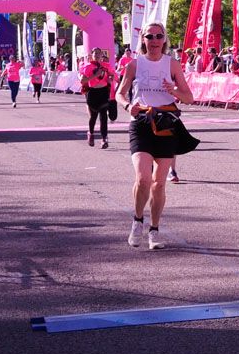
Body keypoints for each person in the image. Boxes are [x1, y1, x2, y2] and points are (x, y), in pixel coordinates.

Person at [116, 23, 198, 251]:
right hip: (141, 123)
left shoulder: (172, 64)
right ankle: (137, 220)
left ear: (164, 40)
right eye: (149, 36)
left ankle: (154, 230)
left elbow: (189, 97)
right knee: (143, 178)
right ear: (143, 39)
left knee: (159, 183)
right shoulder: (134, 65)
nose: (154, 40)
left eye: (158, 36)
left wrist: (173, 91)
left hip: (166, 123)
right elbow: (120, 92)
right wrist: (126, 105)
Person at [81, 47, 115, 148]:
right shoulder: (88, 67)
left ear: (101, 55)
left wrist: (110, 79)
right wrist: (95, 75)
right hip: (93, 93)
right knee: (93, 117)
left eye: (98, 53)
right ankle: (90, 133)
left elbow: (111, 75)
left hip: (103, 92)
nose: (97, 55)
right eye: (95, 53)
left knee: (103, 116)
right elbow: (83, 81)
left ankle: (104, 139)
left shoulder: (106, 65)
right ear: (92, 55)